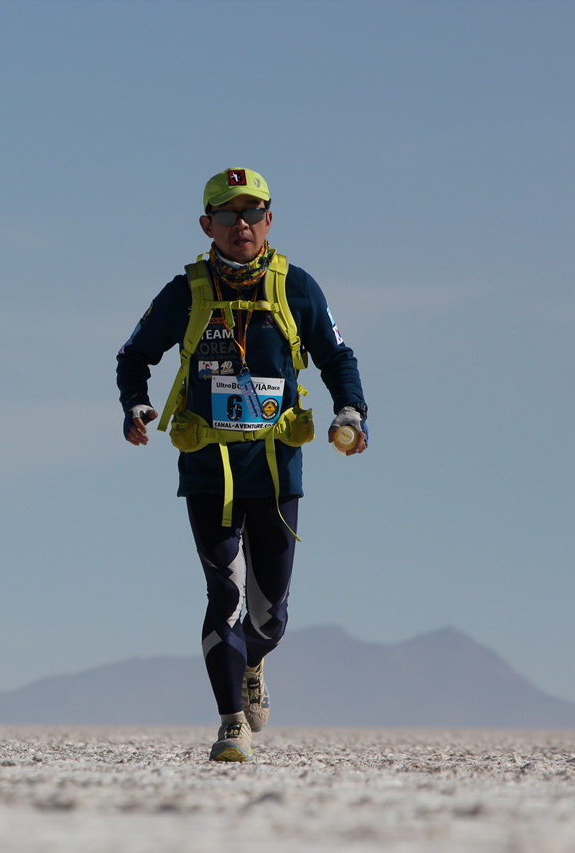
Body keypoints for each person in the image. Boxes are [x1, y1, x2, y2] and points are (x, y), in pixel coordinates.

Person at [116, 167, 367, 762]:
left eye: (252, 214)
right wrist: (135, 406)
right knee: (222, 593)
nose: (241, 226)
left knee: (269, 613)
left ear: (269, 221)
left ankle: (253, 661)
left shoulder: (297, 288)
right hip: (208, 466)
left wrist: (351, 412)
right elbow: (134, 356)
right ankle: (232, 722)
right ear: (207, 225)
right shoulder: (186, 292)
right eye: (227, 216)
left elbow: (337, 356)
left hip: (276, 467)